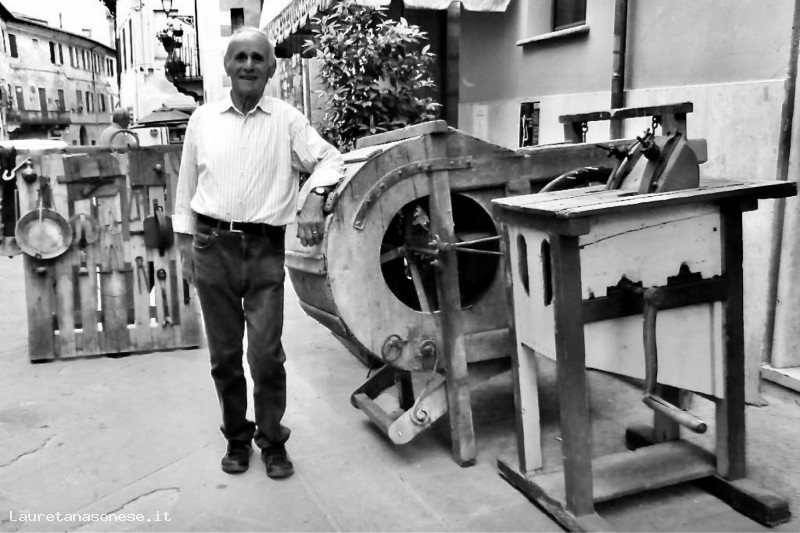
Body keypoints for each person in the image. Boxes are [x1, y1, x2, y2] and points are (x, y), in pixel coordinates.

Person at [172, 26, 344, 480]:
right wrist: (184, 247)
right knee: (225, 356)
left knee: (266, 355)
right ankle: (236, 436)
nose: (248, 65)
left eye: (257, 58)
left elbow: (330, 160)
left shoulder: (287, 120)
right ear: (227, 66)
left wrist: (313, 199)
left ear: (271, 67)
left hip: (266, 248)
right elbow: (186, 187)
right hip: (212, 246)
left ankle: (272, 439)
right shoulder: (202, 120)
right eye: (240, 57)